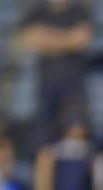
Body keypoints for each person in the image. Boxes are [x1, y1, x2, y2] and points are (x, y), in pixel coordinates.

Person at [19, 0, 93, 143]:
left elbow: (82, 40)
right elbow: (31, 40)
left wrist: (48, 39)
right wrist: (68, 38)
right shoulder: (38, 11)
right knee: (44, 142)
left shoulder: (79, 11)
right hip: (46, 88)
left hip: (74, 88)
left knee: (76, 137)